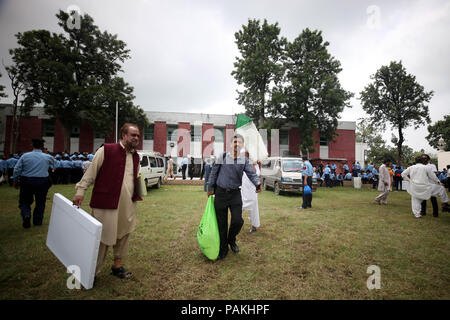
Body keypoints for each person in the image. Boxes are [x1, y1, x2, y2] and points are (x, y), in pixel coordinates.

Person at [73, 123, 143, 281]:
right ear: (124, 135)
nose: (136, 138)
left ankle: (117, 267)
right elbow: (91, 172)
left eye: (138, 135)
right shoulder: (106, 150)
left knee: (123, 235)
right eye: (133, 135)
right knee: (102, 237)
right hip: (106, 203)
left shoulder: (136, 156)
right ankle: (92, 273)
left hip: (128, 205)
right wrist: (80, 190)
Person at [207, 134, 261, 260]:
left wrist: (257, 183)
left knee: (237, 220)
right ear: (231, 144)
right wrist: (210, 188)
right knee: (222, 224)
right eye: (235, 142)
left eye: (240, 142)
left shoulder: (244, 160)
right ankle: (223, 249)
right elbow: (213, 172)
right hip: (220, 193)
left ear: (242, 145)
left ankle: (231, 240)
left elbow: (251, 174)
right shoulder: (222, 156)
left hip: (235, 194)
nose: (237, 144)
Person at [12, 139, 56, 228]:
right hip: (42, 181)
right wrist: (46, 154)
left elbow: (17, 169)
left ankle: (26, 214)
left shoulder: (25, 156)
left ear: (31, 145)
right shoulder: (47, 157)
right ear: (43, 147)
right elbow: (55, 164)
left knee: (25, 200)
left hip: (26, 180)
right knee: (40, 202)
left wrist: (15, 179)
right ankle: (37, 222)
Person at [241, 151, 260, 233]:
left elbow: (256, 173)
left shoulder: (255, 165)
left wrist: (251, 162)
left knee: (253, 210)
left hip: (252, 191)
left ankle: (254, 226)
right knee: (239, 208)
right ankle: (237, 225)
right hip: (243, 190)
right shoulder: (241, 164)